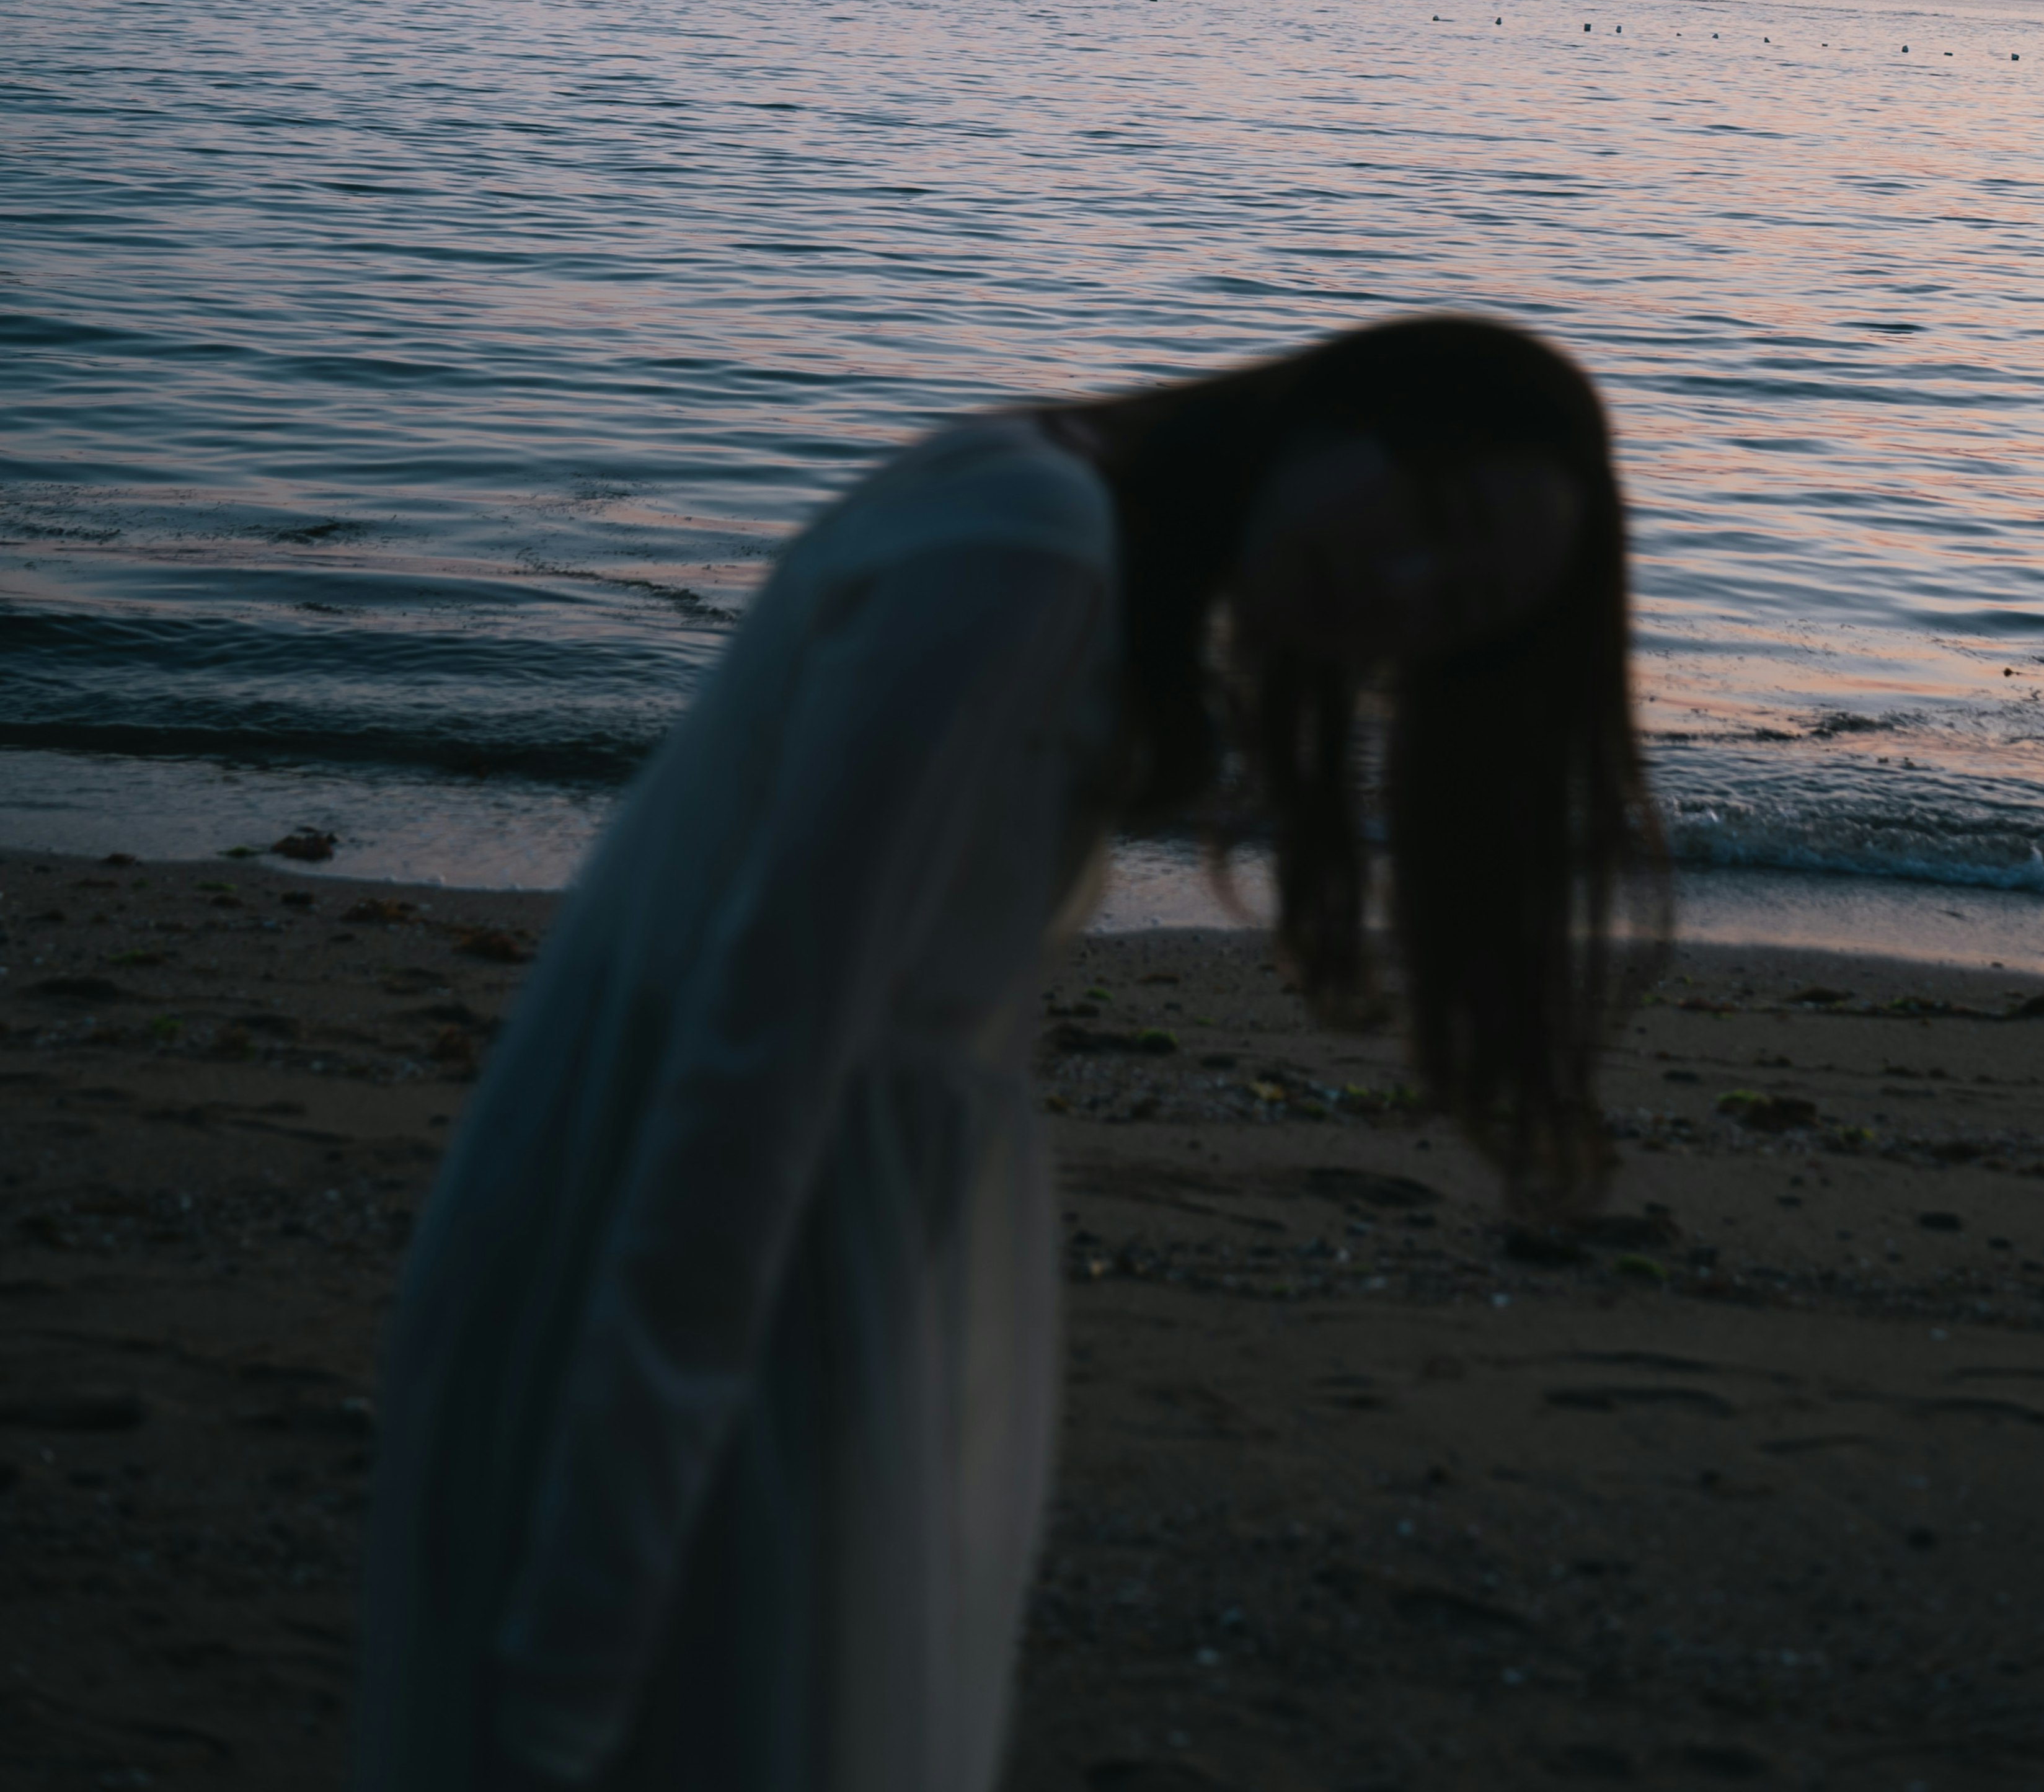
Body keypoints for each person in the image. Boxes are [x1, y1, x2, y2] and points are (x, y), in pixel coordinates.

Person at [352, 313, 1665, 1792]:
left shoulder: (1058, 531)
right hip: (710, 1242)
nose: (1405, 595)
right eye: (1436, 521)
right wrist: (591, 1606)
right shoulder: (1026, 548)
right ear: (1331, 415)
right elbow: (757, 1053)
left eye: (1459, 613)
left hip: (794, 1237)